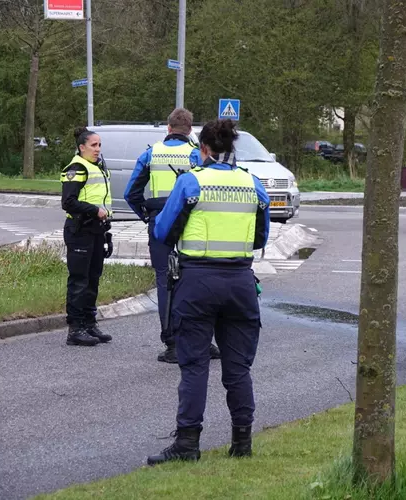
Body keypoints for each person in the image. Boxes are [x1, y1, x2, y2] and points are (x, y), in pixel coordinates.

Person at [146, 118, 270, 466]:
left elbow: (163, 230)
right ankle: (242, 442)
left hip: (197, 282)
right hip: (241, 283)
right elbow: (260, 237)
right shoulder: (252, 182)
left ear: (203, 148)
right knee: (238, 370)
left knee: (195, 366)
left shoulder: (191, 182)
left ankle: (187, 443)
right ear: (232, 149)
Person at [124, 108, 221, 363]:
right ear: (190, 130)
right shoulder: (196, 155)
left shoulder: (150, 154)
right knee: (198, 279)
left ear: (168, 128)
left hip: (160, 223)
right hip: (192, 222)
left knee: (165, 282)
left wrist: (147, 215)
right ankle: (202, 341)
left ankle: (172, 344)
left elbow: (131, 193)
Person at [60, 127, 114, 347]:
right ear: (81, 147)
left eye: (99, 145)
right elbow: (68, 202)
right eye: (93, 145)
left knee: (93, 278)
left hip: (96, 230)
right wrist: (93, 210)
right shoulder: (76, 168)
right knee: (79, 280)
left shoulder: (97, 167)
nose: (97, 149)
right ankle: (75, 329)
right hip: (80, 230)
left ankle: (90, 323)